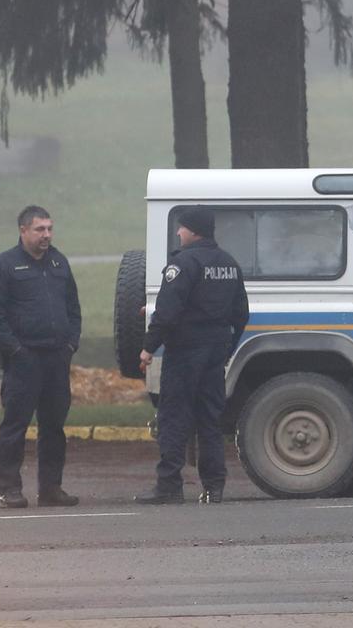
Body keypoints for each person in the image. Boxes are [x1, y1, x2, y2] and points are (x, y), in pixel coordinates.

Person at [135, 208, 249, 505]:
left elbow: (167, 313)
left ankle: (169, 486)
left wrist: (148, 347)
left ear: (194, 230)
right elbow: (241, 314)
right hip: (215, 351)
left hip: (185, 352)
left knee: (173, 418)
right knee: (209, 419)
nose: (178, 233)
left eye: (182, 228)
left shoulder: (184, 263)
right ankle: (214, 486)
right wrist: (228, 348)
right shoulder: (229, 264)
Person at [0, 205, 81, 509]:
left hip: (57, 358)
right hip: (23, 360)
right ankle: (10, 489)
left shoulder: (58, 261)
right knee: (15, 426)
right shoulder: (5, 265)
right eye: (40, 229)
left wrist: (70, 345)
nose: (47, 235)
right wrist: (15, 350)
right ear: (23, 231)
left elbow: (73, 308)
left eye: (49, 229)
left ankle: (51, 488)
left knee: (54, 427)